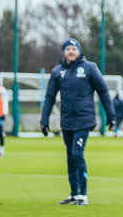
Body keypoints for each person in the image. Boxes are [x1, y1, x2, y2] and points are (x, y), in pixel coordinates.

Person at [40, 38, 116, 207]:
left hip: (84, 119)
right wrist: (44, 120)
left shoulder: (89, 68)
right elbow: (49, 97)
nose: (71, 52)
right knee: (70, 157)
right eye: (68, 49)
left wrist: (111, 115)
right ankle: (74, 194)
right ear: (64, 52)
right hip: (66, 121)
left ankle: (84, 195)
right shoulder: (57, 72)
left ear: (78, 51)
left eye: (74, 49)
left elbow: (103, 91)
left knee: (77, 154)